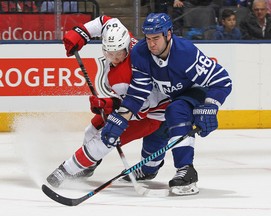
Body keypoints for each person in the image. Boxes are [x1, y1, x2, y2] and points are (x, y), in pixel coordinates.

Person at [100, 13, 232, 195]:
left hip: (193, 92)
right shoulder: (140, 52)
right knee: (158, 131)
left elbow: (222, 80)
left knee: (176, 111)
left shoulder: (185, 53)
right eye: (148, 38)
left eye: (156, 38)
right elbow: (137, 94)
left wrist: (210, 106)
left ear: (168, 34)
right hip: (167, 97)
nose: (151, 44)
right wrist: (119, 119)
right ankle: (148, 169)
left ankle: (186, 171)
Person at [46, 15, 170, 188]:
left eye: (118, 53)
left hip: (152, 114)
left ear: (126, 47)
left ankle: (66, 169)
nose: (114, 57)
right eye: (109, 53)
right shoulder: (121, 36)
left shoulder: (124, 76)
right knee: (91, 129)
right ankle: (88, 165)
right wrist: (81, 33)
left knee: (105, 138)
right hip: (136, 103)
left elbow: (137, 110)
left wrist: (109, 104)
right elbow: (104, 21)